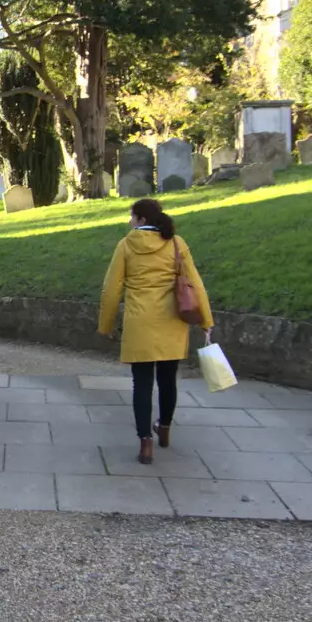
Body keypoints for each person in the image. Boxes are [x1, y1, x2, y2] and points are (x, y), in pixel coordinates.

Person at [97, 198, 213, 465]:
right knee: (168, 379)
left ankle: (145, 442)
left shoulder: (126, 246)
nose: (129, 221)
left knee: (142, 384)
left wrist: (105, 325)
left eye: (131, 216)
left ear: (141, 219)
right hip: (172, 321)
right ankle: (165, 428)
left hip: (140, 323)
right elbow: (195, 283)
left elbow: (111, 289)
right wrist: (206, 319)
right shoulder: (176, 243)